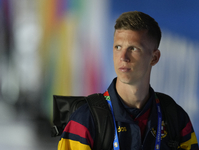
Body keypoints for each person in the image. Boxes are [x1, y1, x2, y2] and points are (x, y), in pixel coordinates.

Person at [57, 11, 198, 150]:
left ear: (154, 58)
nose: (123, 57)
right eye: (118, 47)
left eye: (133, 48)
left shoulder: (175, 118)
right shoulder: (85, 120)